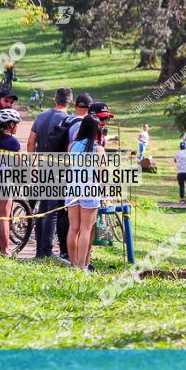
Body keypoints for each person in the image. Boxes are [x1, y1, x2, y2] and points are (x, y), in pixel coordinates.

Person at [27, 87, 73, 260]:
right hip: (58, 169)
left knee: (42, 208)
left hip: (41, 167)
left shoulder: (41, 117)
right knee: (52, 211)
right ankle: (46, 251)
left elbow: (31, 143)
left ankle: (40, 249)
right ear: (71, 101)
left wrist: (32, 165)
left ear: (54, 99)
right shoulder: (69, 120)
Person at [66, 115, 104, 270]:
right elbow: (102, 174)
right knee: (86, 229)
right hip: (89, 189)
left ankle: (73, 264)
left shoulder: (71, 146)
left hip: (72, 188)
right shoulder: (98, 149)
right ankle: (82, 266)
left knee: (73, 228)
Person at [0, 108, 22, 257]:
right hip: (4, 180)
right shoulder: (13, 142)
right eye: (16, 124)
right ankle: (5, 249)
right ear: (11, 124)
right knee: (4, 216)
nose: (17, 127)